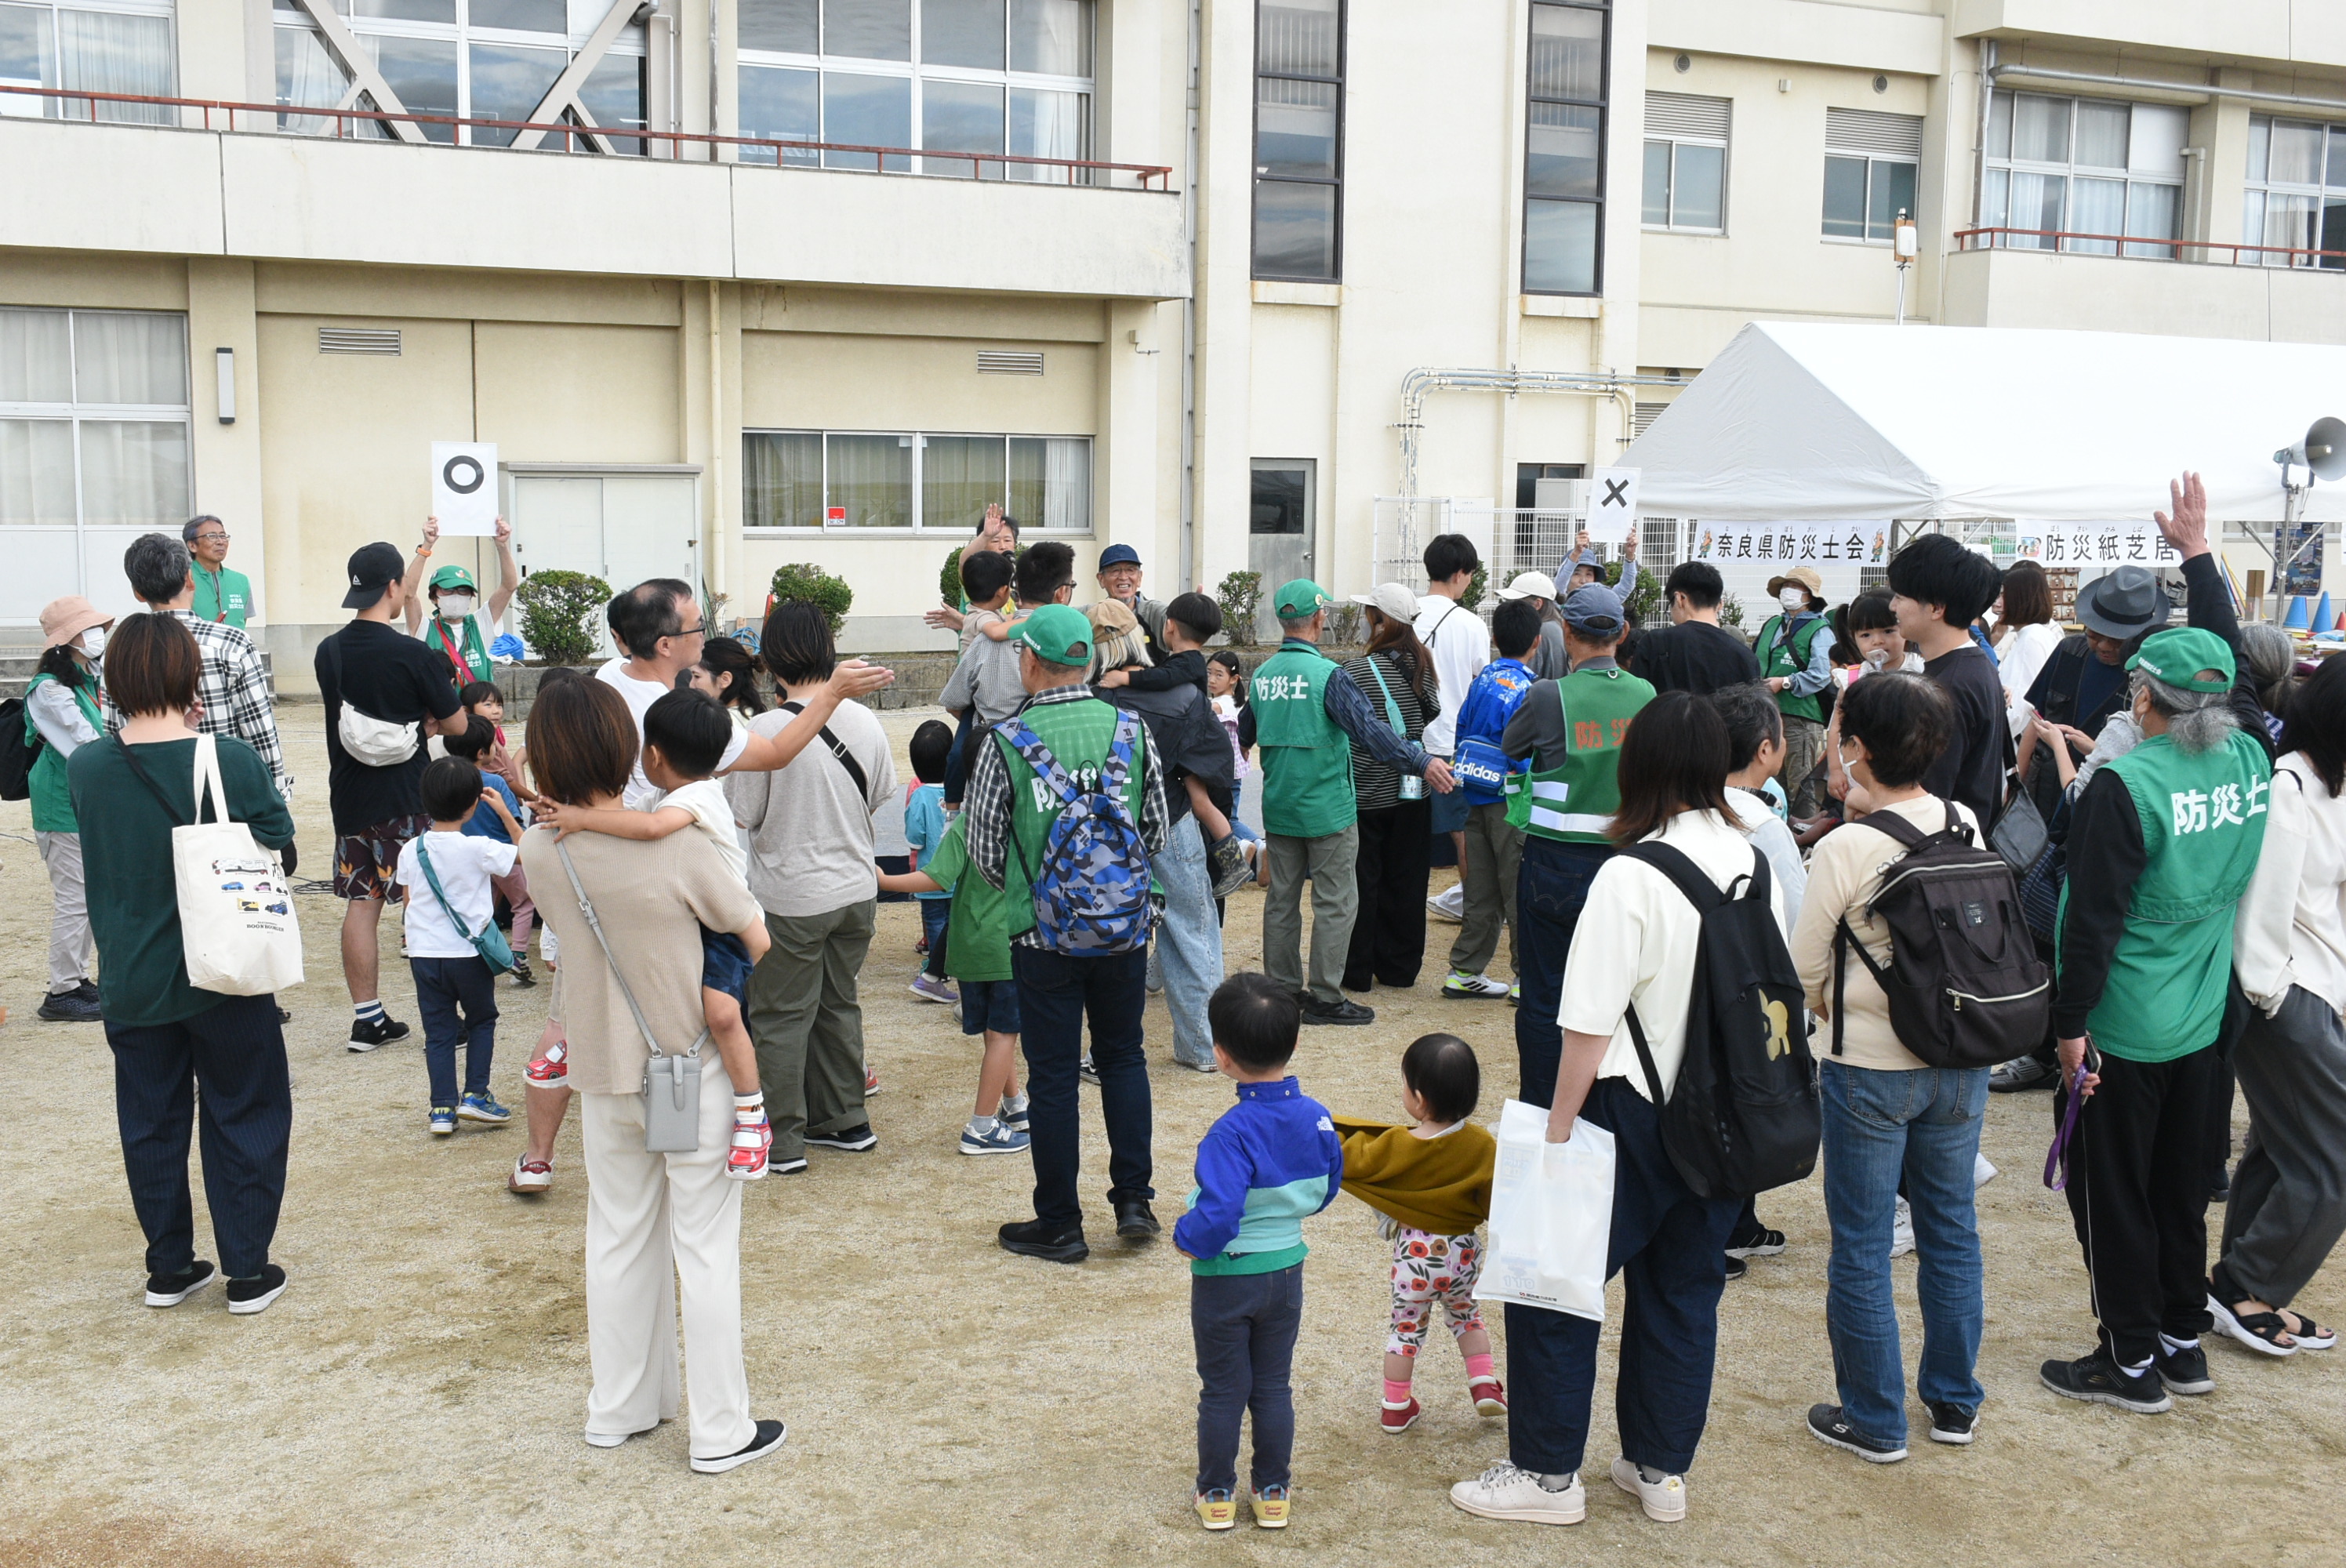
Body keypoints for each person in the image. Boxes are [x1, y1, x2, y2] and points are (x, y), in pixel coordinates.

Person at [1451, 690, 1772, 1530]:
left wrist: (1556, 1128)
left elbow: (1587, 1024)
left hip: (1630, 1106)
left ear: (1639, 766)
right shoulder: (1751, 858)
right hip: (1723, 1114)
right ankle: (1659, 1468)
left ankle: (1547, 1472)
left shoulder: (1629, 872)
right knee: (1683, 1292)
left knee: (1553, 1286)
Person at [515, 677, 786, 1474]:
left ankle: (620, 1405)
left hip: (603, 1068)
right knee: (703, 1248)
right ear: (622, 746)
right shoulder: (679, 843)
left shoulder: (540, 849)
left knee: (618, 1236)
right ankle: (720, 1429)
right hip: (688, 1066)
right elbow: (755, 936)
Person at [2040, 626, 2272, 1415]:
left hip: (2123, 1021)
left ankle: (2128, 1354)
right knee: (2180, 1187)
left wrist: (2069, 1027)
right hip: (2205, 1011)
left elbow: (2091, 920)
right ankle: (2180, 1337)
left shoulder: (2125, 783)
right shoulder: (2251, 758)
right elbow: (2242, 683)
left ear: (2144, 697)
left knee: (2112, 1193)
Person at [1785, 673, 1990, 1461]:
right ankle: (1954, 1401)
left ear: (1858, 748)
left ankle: (1873, 1417)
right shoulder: (1964, 820)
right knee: (1950, 1228)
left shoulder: (1845, 845)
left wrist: (1835, 1008)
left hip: (1870, 1064)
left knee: (1864, 1243)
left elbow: (1804, 964)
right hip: (1959, 1054)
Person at [72, 613, 297, 1316]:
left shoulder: (86, 767)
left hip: (131, 976)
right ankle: (247, 1269)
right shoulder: (227, 758)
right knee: (245, 1109)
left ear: (113, 680)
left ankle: (169, 1267)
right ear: (189, 676)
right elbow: (279, 838)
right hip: (222, 970)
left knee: (150, 1123)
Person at [967, 602, 1170, 1263]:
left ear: (1030, 660)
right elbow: (1156, 830)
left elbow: (984, 851)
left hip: (1041, 935)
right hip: (1124, 927)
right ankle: (1134, 1200)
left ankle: (1060, 1222)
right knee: (1124, 1057)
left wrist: (1035, 891)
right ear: (1089, 658)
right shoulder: (1131, 729)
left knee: (1053, 1076)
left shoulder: (1004, 741)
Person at [534, 689, 783, 1179]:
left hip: (724, 928)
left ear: (652, 754)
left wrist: (580, 818)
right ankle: (569, 1043)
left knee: (722, 1013)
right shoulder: (668, 795)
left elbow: (650, 830)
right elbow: (633, 820)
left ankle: (752, 1111)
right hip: (707, 919)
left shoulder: (694, 800)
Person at [1174, 973, 1346, 1533]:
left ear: (1221, 1055)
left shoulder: (1230, 1132)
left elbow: (1220, 1214)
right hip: (1287, 1268)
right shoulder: (1317, 1116)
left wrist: (1186, 1237)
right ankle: (1273, 1491)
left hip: (1226, 1276)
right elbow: (1327, 1185)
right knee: (1273, 1385)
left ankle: (1216, 1493)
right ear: (1294, 1042)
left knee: (1224, 1389)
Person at [1241, 580, 1455, 1027]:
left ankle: (1283, 989)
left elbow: (1245, 735)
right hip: (1328, 808)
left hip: (1280, 805)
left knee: (1281, 900)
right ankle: (1325, 996)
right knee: (1335, 902)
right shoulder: (1328, 675)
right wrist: (1421, 761)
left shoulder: (1262, 675)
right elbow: (1371, 733)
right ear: (1320, 619)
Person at [728, 603, 897, 1172]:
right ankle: (845, 1118)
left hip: (791, 896)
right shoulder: (864, 721)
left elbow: (745, 814)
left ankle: (783, 1139)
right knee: (837, 1004)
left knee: (780, 1015)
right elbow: (879, 794)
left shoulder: (764, 731)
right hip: (856, 889)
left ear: (772, 660)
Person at [2216, 652, 2346, 1356]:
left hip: (2315, 988)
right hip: (2284, 993)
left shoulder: (2331, 783)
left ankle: (2240, 1286)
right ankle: (2250, 1284)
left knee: (2280, 1143)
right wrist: (2271, 995)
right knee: (2332, 1155)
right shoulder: (2290, 785)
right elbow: (2262, 904)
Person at [1502, 583, 1654, 1112]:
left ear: (1565, 632)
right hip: (1627, 863)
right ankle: (1603, 1109)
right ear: (1622, 633)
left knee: (1545, 995)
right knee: (1616, 993)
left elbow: (1511, 746)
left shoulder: (1549, 695)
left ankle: (1544, 1110)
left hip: (1554, 863)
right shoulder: (1645, 694)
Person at [316, 542, 470, 1051]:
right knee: (427, 905)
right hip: (407, 798)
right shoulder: (413, 653)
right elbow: (457, 723)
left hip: (350, 798)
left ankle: (368, 1020)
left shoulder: (329, 651)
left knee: (362, 905)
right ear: (393, 587)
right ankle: (448, 1019)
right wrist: (424, 723)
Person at [1331, 1033, 1505, 1434]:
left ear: (1420, 1100)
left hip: (1415, 1256)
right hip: (1463, 1253)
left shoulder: (1398, 1144)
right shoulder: (1483, 1144)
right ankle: (1484, 1385)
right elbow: (1493, 1202)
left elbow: (1350, 1157)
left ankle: (1396, 1406)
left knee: (1405, 1330)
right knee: (1467, 1317)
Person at [1089, 601, 1233, 1073]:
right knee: (1191, 928)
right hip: (1170, 820)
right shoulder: (1186, 694)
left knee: (1104, 934)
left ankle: (1101, 1050)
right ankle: (1201, 1045)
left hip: (1101, 831)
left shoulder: (1085, 699)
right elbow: (1216, 758)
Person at [1712, 680, 1810, 1276]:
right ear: (1768, 749)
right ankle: (1727, 1229)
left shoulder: (1688, 804)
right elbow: (1796, 913)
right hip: (1756, 988)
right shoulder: (1763, 824)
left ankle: (1739, 1223)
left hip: (1703, 983)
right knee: (1744, 1103)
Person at [877, 815, 1032, 1156]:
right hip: (1010, 943)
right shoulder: (1027, 816)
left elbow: (937, 877)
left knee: (995, 1032)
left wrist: (883, 880)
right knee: (1003, 1035)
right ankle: (981, 1128)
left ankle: (1015, 1105)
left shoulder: (970, 822)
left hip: (970, 941)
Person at [392, 756, 523, 1136]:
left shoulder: (411, 849)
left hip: (424, 954)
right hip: (469, 954)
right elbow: (529, 852)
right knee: (481, 1020)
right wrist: (506, 814)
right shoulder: (478, 847)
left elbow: (409, 902)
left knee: (439, 1032)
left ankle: (441, 1108)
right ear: (472, 804)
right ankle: (476, 1094)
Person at [118, 532, 292, 804]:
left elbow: (113, 730)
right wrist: (276, 791)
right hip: (223, 791)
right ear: (190, 579)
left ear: (138, 593)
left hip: (149, 793)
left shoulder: (121, 651)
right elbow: (259, 730)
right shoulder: (232, 643)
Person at [1342, 583, 1442, 993]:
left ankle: (1357, 969)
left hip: (1368, 789)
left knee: (1363, 880)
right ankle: (1400, 967)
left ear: (1380, 620)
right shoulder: (1422, 664)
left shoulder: (1355, 670)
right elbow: (1432, 710)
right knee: (1408, 878)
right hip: (1414, 787)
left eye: (1370, 613)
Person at [1441, 597, 1539, 1001]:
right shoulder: (1530, 687)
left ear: (1495, 638)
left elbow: (1461, 727)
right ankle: (1525, 977)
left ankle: (1465, 969)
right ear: (1537, 642)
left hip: (1473, 791)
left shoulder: (1481, 680)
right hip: (1509, 798)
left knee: (1480, 887)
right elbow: (1526, 748)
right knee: (1517, 887)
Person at [2018, 563, 2171, 821]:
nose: (2103, 646)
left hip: (2108, 803)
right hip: (2046, 791)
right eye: (2095, 634)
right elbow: (2036, 719)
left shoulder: (2153, 677)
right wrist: (2016, 786)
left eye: (2118, 641)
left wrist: (2096, 749)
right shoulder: (2069, 652)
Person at [25, 595, 112, 1022]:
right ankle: (62, 990)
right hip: (61, 802)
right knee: (75, 898)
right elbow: (85, 739)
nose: (97, 635)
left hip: (87, 798)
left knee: (90, 894)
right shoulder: (48, 689)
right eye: (87, 629)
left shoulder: (88, 678)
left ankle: (77, 978)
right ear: (67, 639)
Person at [1887, 535, 2010, 826]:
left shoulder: (1949, 686)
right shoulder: (1975, 666)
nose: (1892, 606)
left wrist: (1859, 799)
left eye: (1900, 597)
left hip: (1944, 842)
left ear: (1936, 608)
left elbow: (1925, 800)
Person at [1415, 535, 1491, 922]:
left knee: (1403, 831)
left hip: (1407, 742)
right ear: (1460, 573)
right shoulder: (1472, 625)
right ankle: (1473, 911)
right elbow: (1480, 681)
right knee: (1463, 833)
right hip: (1450, 742)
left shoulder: (1404, 615)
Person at [444, 717, 536, 987]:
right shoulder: (494, 783)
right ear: (482, 752)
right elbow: (514, 818)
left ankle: (476, 950)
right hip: (504, 855)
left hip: (469, 858)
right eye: (494, 744)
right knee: (524, 903)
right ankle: (518, 955)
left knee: (483, 906)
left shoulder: (448, 780)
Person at [939, 546, 1025, 809]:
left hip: (980, 689)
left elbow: (1004, 620)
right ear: (1002, 591)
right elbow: (998, 633)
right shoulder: (982, 617)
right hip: (973, 691)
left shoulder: (983, 611)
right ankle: (952, 808)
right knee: (959, 752)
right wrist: (1036, 620)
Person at [401, 516, 519, 688]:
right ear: (434, 597)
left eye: (463, 590)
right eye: (448, 590)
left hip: (477, 707)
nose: (456, 596)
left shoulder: (480, 624)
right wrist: (426, 546)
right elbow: (409, 594)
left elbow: (509, 586)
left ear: (471, 596)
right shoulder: (424, 628)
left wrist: (502, 545)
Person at [1753, 566, 1833, 818]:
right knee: (1769, 780)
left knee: (1800, 785)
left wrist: (1786, 682)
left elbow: (1822, 673)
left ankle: (1802, 832)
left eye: (1796, 587)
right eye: (1786, 586)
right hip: (1767, 715)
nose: (1789, 591)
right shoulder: (1772, 624)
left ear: (1810, 595)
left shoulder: (1819, 629)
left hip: (1800, 717)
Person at [1629, 561, 1763, 695]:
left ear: (1680, 598)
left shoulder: (1654, 642)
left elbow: (1636, 698)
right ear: (1720, 604)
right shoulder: (1746, 656)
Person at [902, 720, 957, 1007]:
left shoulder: (920, 795)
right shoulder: (960, 789)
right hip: (957, 873)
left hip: (929, 874)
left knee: (935, 920)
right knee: (954, 919)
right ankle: (953, 963)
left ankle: (938, 969)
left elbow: (916, 839)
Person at [923, 502, 1021, 634]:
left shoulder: (1018, 575)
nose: (1003, 546)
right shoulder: (978, 571)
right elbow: (965, 561)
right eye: (995, 541)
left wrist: (964, 621)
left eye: (1008, 540)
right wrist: (986, 535)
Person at [1992, 560, 2062, 741]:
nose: (1998, 603)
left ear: (2019, 600)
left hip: (2015, 742)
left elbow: (2020, 707)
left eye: (2004, 596)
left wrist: (1989, 739)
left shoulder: (2032, 638)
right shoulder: (2030, 635)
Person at [1828, 590, 1924, 691]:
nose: (1877, 641)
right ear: (1854, 638)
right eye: (1866, 635)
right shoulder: (1852, 679)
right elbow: (1842, 702)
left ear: (1905, 629)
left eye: (1888, 631)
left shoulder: (1921, 668)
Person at [1095, 542, 1169, 661]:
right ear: (1101, 579)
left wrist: (1193, 609)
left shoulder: (1155, 613)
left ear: (1139, 578)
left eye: (1130, 570)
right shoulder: (1093, 616)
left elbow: (1178, 616)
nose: (1123, 577)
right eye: (1115, 570)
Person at [1496, 570, 1571, 682]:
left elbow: (1522, 680)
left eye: (1517, 603)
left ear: (1537, 604)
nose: (1512, 608)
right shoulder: (1556, 626)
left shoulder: (1540, 632)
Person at [183, 515, 252, 629]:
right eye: (212, 536)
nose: (220, 542)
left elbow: (242, 621)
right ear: (192, 546)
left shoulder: (240, 581)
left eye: (223, 536)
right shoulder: (182, 579)